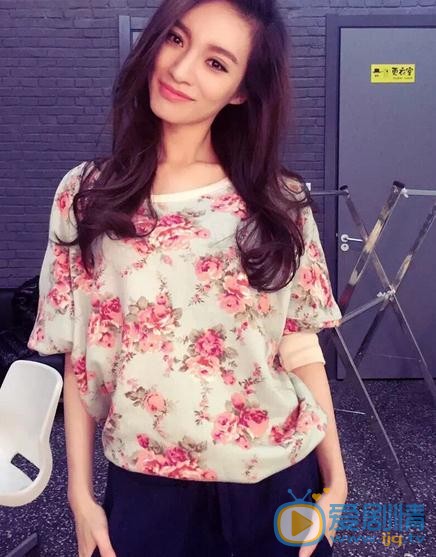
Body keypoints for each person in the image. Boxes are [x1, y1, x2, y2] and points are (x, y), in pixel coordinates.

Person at [27, 1, 348, 556]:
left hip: (278, 476)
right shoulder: (86, 195)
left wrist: (337, 484)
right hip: (147, 487)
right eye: (176, 40)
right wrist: (80, 495)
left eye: (216, 63)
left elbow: (298, 344)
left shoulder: (279, 201)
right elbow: (79, 352)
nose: (180, 69)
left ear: (242, 91)